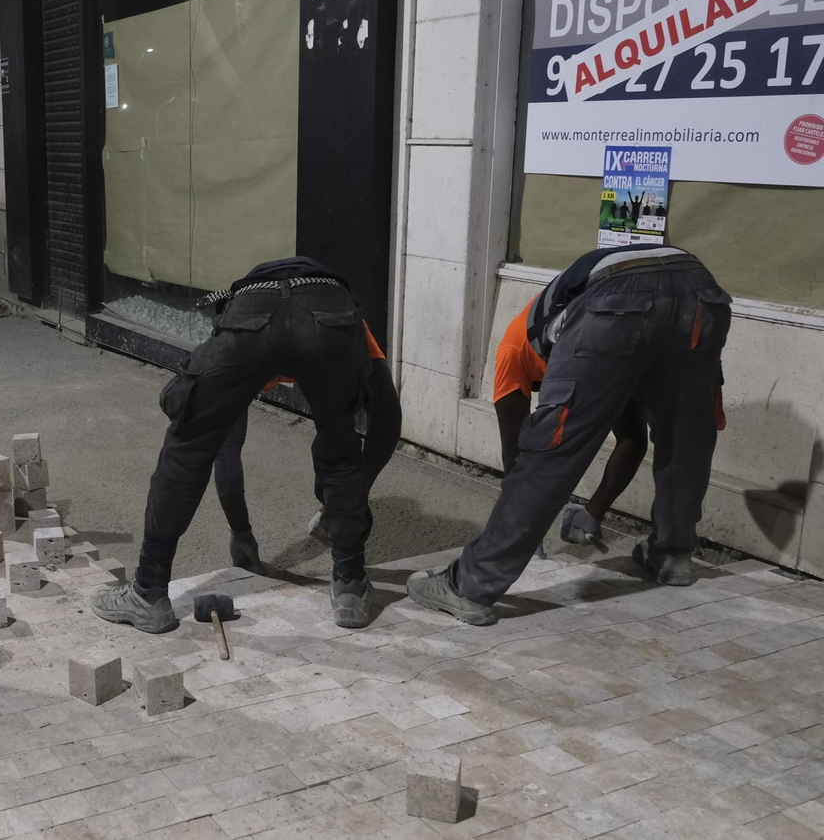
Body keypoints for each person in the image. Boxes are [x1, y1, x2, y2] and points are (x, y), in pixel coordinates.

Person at [408, 246, 731, 626]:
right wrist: (583, 511)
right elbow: (633, 437)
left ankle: (469, 586)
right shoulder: (561, 344)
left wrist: (572, 512)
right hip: (700, 291)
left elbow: (522, 456)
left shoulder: (515, 348)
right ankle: (673, 554)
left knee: (549, 448)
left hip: (621, 298)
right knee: (687, 436)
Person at [93, 257, 393, 631]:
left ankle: (148, 593)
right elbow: (388, 420)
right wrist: (244, 531)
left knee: (186, 444)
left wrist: (240, 530)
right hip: (327, 314)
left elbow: (219, 447)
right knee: (342, 443)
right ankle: (350, 586)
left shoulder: (242, 331)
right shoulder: (348, 325)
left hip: (258, 315)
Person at [214, 321, 400, 582]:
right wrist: (239, 527)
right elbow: (388, 418)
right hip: (304, 338)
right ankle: (346, 563)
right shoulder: (241, 339)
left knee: (338, 434)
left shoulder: (337, 326)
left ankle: (347, 570)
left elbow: (387, 418)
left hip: (316, 339)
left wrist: (239, 529)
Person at [493, 295, 648, 551]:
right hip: (629, 333)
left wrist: (522, 526)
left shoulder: (513, 352)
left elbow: (514, 452)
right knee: (633, 436)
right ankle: (589, 519)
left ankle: (523, 537)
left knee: (538, 445)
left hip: (597, 341)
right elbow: (634, 440)